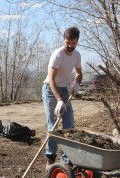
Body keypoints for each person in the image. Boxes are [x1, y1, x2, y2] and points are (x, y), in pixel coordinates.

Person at [42, 27, 82, 170]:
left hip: (64, 90)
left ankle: (65, 161)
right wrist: (59, 100)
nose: (70, 45)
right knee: (53, 125)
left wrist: (77, 83)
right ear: (64, 40)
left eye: (73, 43)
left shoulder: (77, 55)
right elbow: (51, 80)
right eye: (68, 42)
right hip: (50, 90)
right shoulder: (58, 55)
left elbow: (79, 73)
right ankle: (50, 158)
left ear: (77, 41)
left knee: (69, 126)